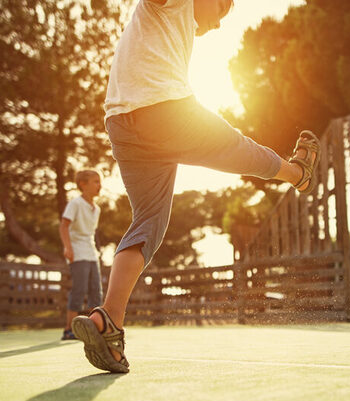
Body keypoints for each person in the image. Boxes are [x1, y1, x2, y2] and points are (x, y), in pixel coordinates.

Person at [71, 0, 320, 373]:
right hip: (165, 110)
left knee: (148, 223)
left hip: (121, 122)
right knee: (238, 149)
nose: (219, 25)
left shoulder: (177, 25)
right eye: (221, 12)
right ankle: (297, 173)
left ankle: (109, 321)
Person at [60, 169, 103, 340]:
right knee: (79, 289)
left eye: (99, 182)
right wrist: (67, 248)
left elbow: (91, 233)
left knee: (96, 291)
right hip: (77, 252)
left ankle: (95, 328)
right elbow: (63, 226)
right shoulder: (75, 203)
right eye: (95, 181)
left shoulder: (96, 209)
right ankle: (68, 329)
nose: (99, 185)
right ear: (83, 184)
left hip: (92, 253)